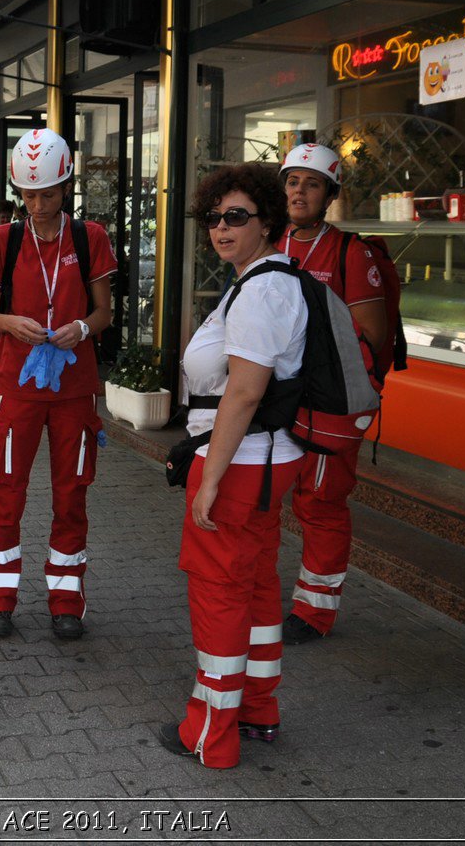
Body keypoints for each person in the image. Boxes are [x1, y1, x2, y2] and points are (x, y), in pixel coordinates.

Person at [158, 162, 308, 770]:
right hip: (264, 461)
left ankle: (210, 734)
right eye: (215, 218)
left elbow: (245, 391)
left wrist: (211, 478)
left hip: (242, 463)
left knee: (219, 591)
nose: (221, 228)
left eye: (237, 217)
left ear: (268, 220)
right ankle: (256, 709)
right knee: (254, 585)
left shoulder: (265, 289)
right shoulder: (263, 280)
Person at [0, 130, 116, 641]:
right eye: (29, 196)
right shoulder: (2, 239)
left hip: (75, 388)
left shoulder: (90, 237)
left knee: (71, 491)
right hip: (16, 384)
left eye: (49, 195)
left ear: (66, 187)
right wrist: (10, 324)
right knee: (6, 489)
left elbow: (105, 312)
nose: (38, 205)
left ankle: (66, 599)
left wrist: (82, 327)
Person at [277, 143, 388, 645]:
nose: (300, 191)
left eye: (312, 183)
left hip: (327, 403)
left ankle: (314, 610)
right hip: (274, 395)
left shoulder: (350, 251)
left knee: (320, 504)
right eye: (293, 181)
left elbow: (371, 335)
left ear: (328, 195)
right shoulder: (268, 241)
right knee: (262, 493)